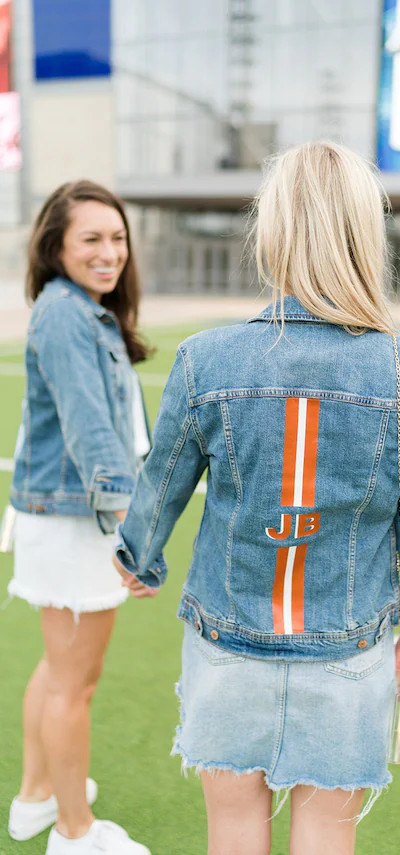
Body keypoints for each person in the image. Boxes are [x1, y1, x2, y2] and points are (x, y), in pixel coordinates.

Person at [114, 141, 400, 855]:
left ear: (273, 231)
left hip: (227, 643)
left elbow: (163, 479)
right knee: (327, 835)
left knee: (233, 832)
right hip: (348, 652)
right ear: (366, 233)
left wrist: (137, 558)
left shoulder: (206, 356)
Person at [7, 181, 153, 855]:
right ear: (56, 245)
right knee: (75, 682)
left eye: (116, 237)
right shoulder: (67, 315)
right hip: (75, 519)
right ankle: (74, 833)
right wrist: (132, 531)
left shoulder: (79, 308)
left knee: (58, 668)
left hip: (61, 516)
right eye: (90, 238)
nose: (109, 251)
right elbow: (92, 431)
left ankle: (38, 796)